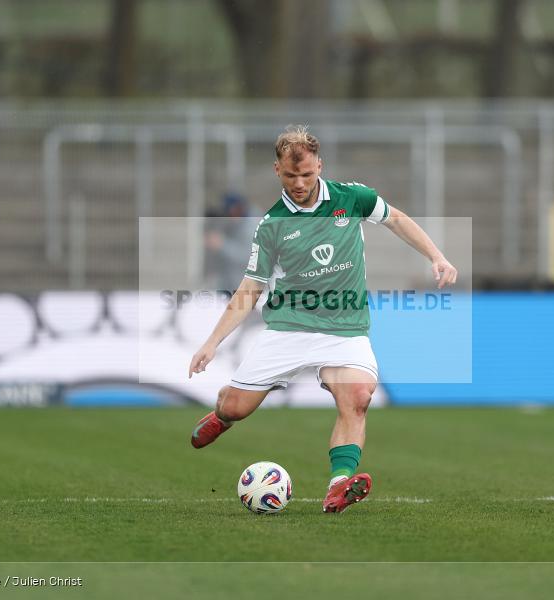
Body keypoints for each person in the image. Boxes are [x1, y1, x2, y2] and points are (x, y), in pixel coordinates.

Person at [187, 125, 458, 513]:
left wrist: (437, 256)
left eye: (308, 174)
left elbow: (396, 219)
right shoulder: (272, 225)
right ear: (277, 170)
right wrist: (211, 343)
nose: (300, 183)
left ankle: (338, 485)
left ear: (320, 166)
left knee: (358, 397)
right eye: (291, 175)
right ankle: (220, 417)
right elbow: (250, 288)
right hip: (289, 328)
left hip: (345, 330)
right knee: (237, 407)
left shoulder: (352, 197)